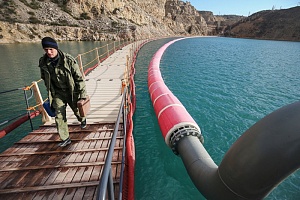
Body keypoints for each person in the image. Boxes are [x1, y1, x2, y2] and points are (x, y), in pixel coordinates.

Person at [39, 37, 87, 147]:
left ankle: (82, 119)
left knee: (77, 110)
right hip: (57, 94)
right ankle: (65, 138)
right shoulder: (43, 62)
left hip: (72, 91)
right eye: (46, 50)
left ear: (56, 48)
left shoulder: (68, 60)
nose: (49, 52)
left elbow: (79, 78)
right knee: (59, 115)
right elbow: (44, 76)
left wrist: (82, 95)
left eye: (51, 49)